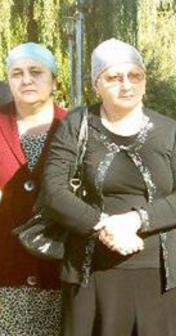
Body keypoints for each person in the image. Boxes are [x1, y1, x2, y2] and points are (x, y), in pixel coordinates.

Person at [40, 38, 176, 336]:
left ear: (145, 82)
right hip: (91, 274)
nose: (126, 85)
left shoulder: (169, 130)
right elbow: (53, 191)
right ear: (96, 84)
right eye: (114, 77)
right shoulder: (77, 124)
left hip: (158, 275)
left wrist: (135, 220)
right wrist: (104, 225)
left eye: (134, 75)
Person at [0, 42, 66, 336]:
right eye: (17, 73)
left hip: (62, 270)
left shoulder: (76, 126)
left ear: (53, 80)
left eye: (36, 71)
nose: (26, 79)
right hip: (6, 270)